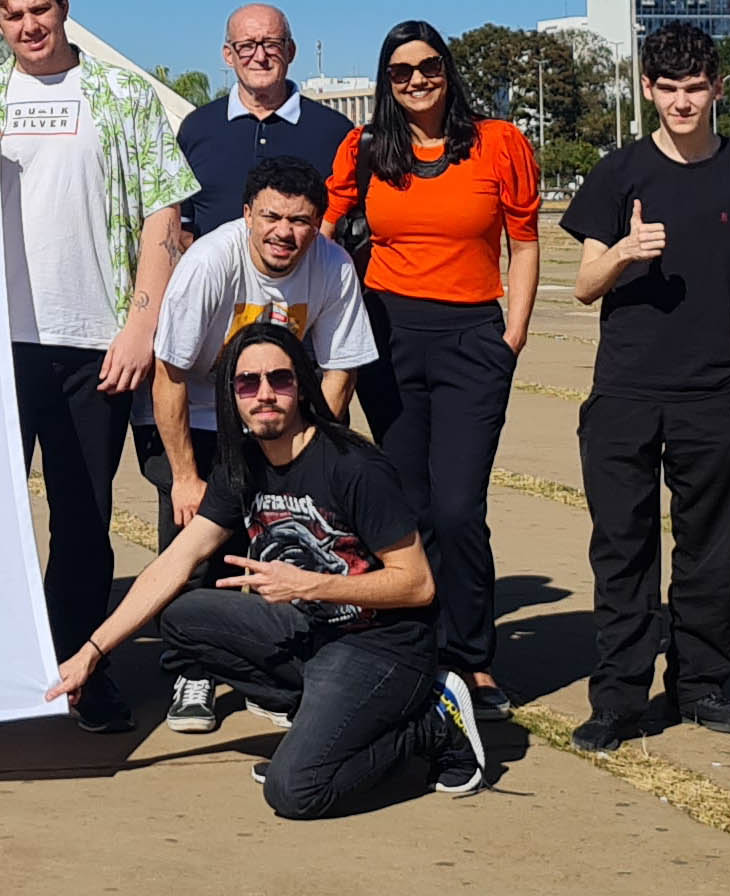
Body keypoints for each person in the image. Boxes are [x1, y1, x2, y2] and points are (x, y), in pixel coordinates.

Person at [47, 323, 486, 819]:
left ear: (301, 385)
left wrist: (312, 584)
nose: (264, 394)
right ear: (230, 395)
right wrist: (91, 652)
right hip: (312, 632)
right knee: (182, 617)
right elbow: (174, 562)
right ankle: (324, 720)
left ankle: (431, 723)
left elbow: (418, 584)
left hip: (382, 646)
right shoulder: (244, 465)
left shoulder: (353, 466)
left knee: (295, 792)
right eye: (247, 383)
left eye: (279, 379)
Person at [0, 0, 198, 733]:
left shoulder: (120, 95)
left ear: (62, 5)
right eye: (13, 16)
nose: (29, 26)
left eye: (40, 9)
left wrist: (139, 325)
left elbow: (164, 216)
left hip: (95, 344)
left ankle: (80, 668)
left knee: (83, 518)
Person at [561, 23, 730, 749]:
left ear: (718, 88)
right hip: (627, 393)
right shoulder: (618, 173)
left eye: (696, 88)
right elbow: (582, 286)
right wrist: (627, 252)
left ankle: (700, 684)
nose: (683, 103)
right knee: (623, 547)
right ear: (647, 90)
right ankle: (619, 697)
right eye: (669, 89)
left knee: (710, 550)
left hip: (717, 396)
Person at [325, 20, 538, 720]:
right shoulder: (363, 149)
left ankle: (472, 660)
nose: (416, 80)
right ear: (387, 81)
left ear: (448, 70)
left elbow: (524, 240)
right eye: (400, 71)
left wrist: (512, 334)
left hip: (473, 337)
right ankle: (418, 646)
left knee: (458, 509)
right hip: (389, 337)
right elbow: (325, 230)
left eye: (429, 66)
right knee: (409, 505)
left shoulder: (498, 142)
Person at [148, 156, 377, 731]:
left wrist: (311, 450)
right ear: (246, 214)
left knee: (278, 540)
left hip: (274, 414)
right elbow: (169, 375)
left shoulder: (332, 266)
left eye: (301, 220)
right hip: (196, 411)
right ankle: (192, 670)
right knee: (194, 541)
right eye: (272, 216)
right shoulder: (208, 264)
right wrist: (184, 476)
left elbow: (340, 370)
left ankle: (266, 669)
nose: (285, 232)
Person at [171, 5, 354, 242]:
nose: (260, 57)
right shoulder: (197, 129)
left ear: (291, 51)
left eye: (271, 44)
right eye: (246, 46)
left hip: (309, 278)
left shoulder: (334, 132)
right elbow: (180, 226)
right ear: (228, 55)